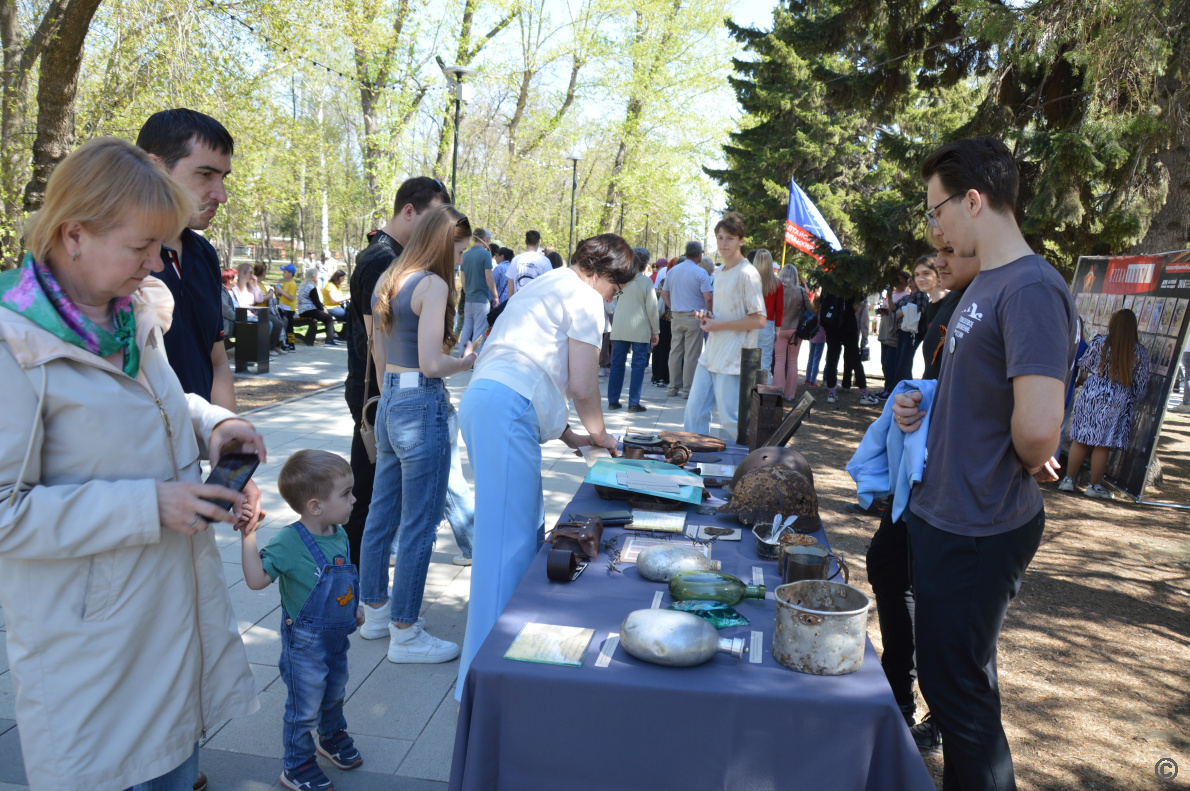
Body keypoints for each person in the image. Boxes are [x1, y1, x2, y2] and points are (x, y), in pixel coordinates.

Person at [0, 137, 260, 791]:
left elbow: (163, 403)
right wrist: (151, 504)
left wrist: (215, 426)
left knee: (171, 767)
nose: (153, 266)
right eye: (140, 248)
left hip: (163, 619)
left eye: (161, 249)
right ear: (74, 234)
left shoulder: (128, 313)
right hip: (89, 647)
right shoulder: (15, 345)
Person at [892, 136, 1077, 790]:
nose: (934, 226)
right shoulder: (984, 281)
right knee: (953, 685)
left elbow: (1036, 426)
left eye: (936, 209)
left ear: (973, 200)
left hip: (980, 525)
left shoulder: (1029, 286)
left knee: (960, 698)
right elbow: (982, 392)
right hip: (948, 514)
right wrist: (927, 409)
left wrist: (1029, 451)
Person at [456, 233, 637, 698]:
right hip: (504, 407)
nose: (613, 295)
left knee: (520, 535)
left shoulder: (547, 283)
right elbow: (581, 384)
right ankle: (485, 681)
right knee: (507, 550)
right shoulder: (586, 297)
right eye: (617, 286)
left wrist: (572, 436)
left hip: (489, 400)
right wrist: (599, 434)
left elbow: (533, 366)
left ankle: (507, 664)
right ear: (606, 274)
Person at [866, 238, 981, 753]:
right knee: (890, 567)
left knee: (944, 602)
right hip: (920, 473)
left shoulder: (990, 299)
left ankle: (941, 716)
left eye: (945, 258)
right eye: (933, 260)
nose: (937, 265)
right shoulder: (943, 306)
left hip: (956, 484)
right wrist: (910, 407)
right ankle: (898, 696)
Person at [359, 205, 478, 663]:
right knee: (418, 525)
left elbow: (379, 351)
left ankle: (375, 613)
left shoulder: (389, 277)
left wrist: (393, 393)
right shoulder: (432, 284)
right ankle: (405, 631)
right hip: (420, 399)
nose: (462, 258)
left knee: (381, 514)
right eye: (460, 249)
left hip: (391, 399)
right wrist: (467, 360)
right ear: (445, 243)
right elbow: (432, 363)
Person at [343, 177, 459, 567]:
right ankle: (358, 588)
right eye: (434, 219)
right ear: (410, 212)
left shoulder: (394, 260)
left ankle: (366, 593)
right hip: (380, 393)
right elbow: (371, 342)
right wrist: (392, 394)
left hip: (387, 392)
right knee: (372, 502)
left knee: (378, 503)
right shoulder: (383, 260)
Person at [241, 450, 365, 790]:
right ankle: (296, 765)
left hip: (337, 638)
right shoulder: (289, 542)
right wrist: (247, 535)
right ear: (315, 506)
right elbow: (256, 580)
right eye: (346, 493)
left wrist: (353, 605)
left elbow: (344, 577)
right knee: (304, 708)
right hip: (305, 647)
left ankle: (330, 737)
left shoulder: (337, 532)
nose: (355, 499)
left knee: (335, 692)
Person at [683, 214, 766, 439]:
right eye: (720, 238)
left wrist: (718, 325)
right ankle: (694, 466)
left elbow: (759, 320)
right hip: (710, 355)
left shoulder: (748, 274)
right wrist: (708, 317)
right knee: (694, 414)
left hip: (733, 359)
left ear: (741, 240)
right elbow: (725, 314)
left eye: (729, 238)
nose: (723, 243)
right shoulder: (719, 272)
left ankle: (743, 471)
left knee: (732, 422)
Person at [1059, 308, 1149, 498]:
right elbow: (1141, 386)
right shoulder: (1139, 351)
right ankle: (1095, 486)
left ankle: (1068, 481)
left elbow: (1083, 363)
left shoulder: (1100, 342)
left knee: (1081, 438)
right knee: (1103, 444)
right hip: (1119, 397)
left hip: (1092, 392)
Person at [607, 247, 660, 411]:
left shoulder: (620, 279)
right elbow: (652, 308)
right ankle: (633, 402)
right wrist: (655, 330)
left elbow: (612, 298)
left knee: (617, 364)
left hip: (620, 326)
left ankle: (613, 400)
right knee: (638, 366)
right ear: (645, 264)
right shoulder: (646, 282)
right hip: (640, 327)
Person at [662, 242, 713, 397]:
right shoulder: (701, 272)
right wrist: (709, 312)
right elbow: (708, 297)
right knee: (691, 353)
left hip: (677, 315)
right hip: (694, 316)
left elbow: (664, 294)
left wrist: (673, 307)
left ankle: (673, 386)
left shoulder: (672, 271)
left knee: (675, 351)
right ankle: (687, 389)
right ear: (699, 254)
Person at [890, 256, 941, 389]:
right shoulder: (910, 296)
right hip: (903, 330)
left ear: (938, 275)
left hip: (913, 331)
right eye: (916, 275)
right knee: (899, 362)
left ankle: (903, 389)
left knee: (904, 363)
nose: (919, 279)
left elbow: (919, 310)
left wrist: (903, 311)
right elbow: (894, 309)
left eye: (926, 273)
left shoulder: (923, 296)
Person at [821, 288, 879, 405]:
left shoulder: (828, 285)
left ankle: (832, 393)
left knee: (832, 358)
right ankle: (864, 394)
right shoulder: (853, 286)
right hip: (848, 325)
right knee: (855, 360)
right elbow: (856, 308)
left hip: (832, 326)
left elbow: (823, 304)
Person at [458, 227, 498, 351]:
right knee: (479, 331)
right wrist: (495, 295)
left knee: (466, 329)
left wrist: (467, 292)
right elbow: (489, 278)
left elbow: (463, 278)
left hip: (469, 298)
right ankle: (474, 359)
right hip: (481, 299)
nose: (489, 242)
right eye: (489, 239)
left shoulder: (466, 254)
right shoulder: (486, 254)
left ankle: (461, 357)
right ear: (484, 238)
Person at [875, 271, 911, 399]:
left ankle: (890, 389)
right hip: (885, 332)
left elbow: (894, 309)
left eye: (900, 279)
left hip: (893, 333)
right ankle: (886, 388)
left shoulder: (905, 295)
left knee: (889, 363)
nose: (897, 282)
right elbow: (888, 308)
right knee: (884, 362)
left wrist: (889, 297)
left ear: (906, 282)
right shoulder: (894, 294)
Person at [774, 264, 808, 398]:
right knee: (793, 362)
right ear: (795, 276)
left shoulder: (777, 289)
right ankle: (790, 394)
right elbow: (809, 310)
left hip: (779, 329)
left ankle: (777, 393)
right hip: (795, 331)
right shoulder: (800, 291)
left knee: (779, 362)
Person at [752, 249, 783, 380]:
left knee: (748, 363)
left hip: (749, 323)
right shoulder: (777, 283)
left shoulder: (749, 280)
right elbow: (779, 309)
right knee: (765, 365)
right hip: (767, 324)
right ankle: (763, 397)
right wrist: (777, 331)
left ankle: (745, 396)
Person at [297, 265, 339, 345]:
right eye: (317, 275)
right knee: (329, 318)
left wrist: (322, 308)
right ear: (312, 277)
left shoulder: (303, 286)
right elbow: (317, 302)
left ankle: (334, 334)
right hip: (309, 310)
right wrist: (323, 308)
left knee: (326, 316)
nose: (318, 276)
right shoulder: (311, 287)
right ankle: (329, 340)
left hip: (302, 311)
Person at [506, 229, 551, 296]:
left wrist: (510, 301)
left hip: (517, 301)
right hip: (536, 303)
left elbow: (510, 283)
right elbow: (549, 283)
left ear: (525, 241)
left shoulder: (516, 260)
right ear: (538, 242)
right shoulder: (545, 261)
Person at [651, 258, 671, 387]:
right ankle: (663, 377)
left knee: (658, 349)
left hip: (659, 318)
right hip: (669, 319)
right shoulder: (669, 282)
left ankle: (656, 376)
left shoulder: (662, 281)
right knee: (666, 349)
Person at [804, 296, 826, 385]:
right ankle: (813, 380)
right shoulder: (822, 311)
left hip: (812, 337)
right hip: (820, 337)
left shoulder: (813, 310)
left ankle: (807, 378)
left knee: (810, 358)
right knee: (817, 359)